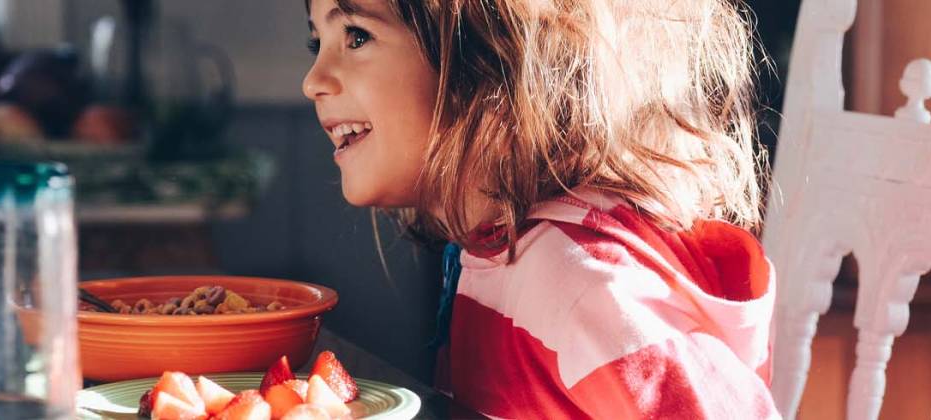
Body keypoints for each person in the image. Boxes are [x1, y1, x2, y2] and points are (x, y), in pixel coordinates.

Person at [302, 0, 777, 418]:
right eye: (316, 43)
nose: (312, 81)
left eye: (356, 36)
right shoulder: (492, 254)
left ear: (487, 55)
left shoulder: (579, 284)